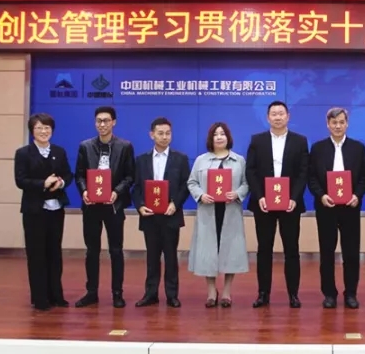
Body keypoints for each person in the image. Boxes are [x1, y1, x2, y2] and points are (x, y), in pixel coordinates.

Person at [246, 101, 309, 308]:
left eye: (281, 113)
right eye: (273, 114)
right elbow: (251, 171)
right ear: (268, 118)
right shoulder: (257, 140)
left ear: (288, 116)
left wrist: (294, 197)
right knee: (264, 249)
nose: (278, 117)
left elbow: (303, 172)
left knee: (292, 249)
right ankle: (263, 294)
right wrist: (260, 196)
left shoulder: (300, 141)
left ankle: (293, 294)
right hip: (264, 203)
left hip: (290, 204)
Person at [308, 107, 365, 309]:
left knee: (351, 253)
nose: (338, 126)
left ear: (347, 124)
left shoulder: (357, 148)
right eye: (334, 122)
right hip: (326, 207)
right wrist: (321, 195)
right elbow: (311, 177)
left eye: (341, 122)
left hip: (350, 207)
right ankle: (329, 294)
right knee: (327, 253)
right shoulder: (318, 148)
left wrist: (357, 195)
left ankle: (351, 293)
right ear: (328, 124)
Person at [74, 105, 135, 308]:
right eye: (99, 121)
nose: (102, 124)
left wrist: (117, 191)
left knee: (116, 250)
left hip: (114, 206)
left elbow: (130, 176)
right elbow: (79, 175)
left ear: (114, 122)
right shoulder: (85, 146)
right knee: (92, 251)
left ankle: (117, 293)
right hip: (91, 206)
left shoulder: (125, 146)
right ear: (95, 123)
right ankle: (91, 292)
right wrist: (84, 191)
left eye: (106, 121)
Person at [13, 112, 73, 310]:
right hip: (34, 211)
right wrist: (43, 183)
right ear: (32, 131)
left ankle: (56, 295)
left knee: (54, 252)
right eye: (39, 128)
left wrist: (61, 182)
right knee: (36, 254)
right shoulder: (23, 153)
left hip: (56, 209)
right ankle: (40, 299)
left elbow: (68, 175)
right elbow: (20, 180)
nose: (43, 131)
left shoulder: (59, 151)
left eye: (47, 128)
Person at [187, 122, 250, 308]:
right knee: (208, 252)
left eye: (223, 134)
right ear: (211, 138)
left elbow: (246, 183)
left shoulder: (239, 160)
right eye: (216, 134)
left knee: (231, 251)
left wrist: (237, 193)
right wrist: (201, 195)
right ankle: (211, 292)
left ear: (228, 137)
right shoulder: (201, 160)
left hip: (230, 211)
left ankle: (227, 292)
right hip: (208, 211)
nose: (220, 137)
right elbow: (192, 182)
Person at [132, 117, 190, 308]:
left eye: (168, 133)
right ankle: (151, 294)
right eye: (160, 133)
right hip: (149, 216)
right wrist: (140, 206)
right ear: (152, 135)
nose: (165, 137)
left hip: (170, 214)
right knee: (152, 257)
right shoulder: (141, 160)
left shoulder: (180, 159)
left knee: (171, 257)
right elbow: (136, 188)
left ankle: (172, 295)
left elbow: (185, 186)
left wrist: (176, 204)